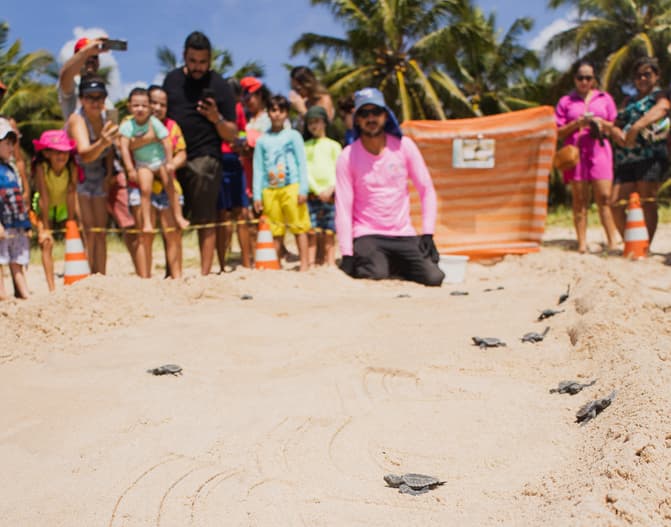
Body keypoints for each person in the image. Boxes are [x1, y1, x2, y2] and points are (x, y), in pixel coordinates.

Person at [335, 87, 444, 286]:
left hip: (403, 233)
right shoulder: (347, 156)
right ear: (357, 120)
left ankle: (394, 262)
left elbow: (426, 189)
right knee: (375, 274)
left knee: (434, 277)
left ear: (385, 115)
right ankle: (384, 263)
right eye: (364, 113)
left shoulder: (405, 146)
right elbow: (343, 207)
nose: (371, 118)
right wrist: (347, 253)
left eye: (376, 112)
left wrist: (428, 233)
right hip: (367, 233)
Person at [163, 31, 237, 275]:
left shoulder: (221, 86)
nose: (197, 67)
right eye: (192, 61)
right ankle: (173, 273)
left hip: (205, 156)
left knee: (206, 218)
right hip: (173, 156)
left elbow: (232, 134)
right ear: (184, 56)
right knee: (171, 218)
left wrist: (216, 118)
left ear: (210, 60)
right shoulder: (171, 80)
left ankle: (205, 275)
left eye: (203, 62)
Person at [555, 59, 619, 253]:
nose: (584, 81)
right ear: (574, 79)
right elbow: (557, 132)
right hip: (575, 153)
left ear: (594, 79)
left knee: (605, 198)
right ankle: (582, 244)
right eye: (580, 77)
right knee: (579, 199)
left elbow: (614, 126)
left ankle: (612, 243)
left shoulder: (604, 98)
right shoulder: (565, 102)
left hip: (599, 150)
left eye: (588, 78)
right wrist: (577, 124)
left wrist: (600, 123)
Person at [610, 56, 670, 245]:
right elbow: (615, 122)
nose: (642, 79)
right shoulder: (628, 100)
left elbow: (662, 109)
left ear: (656, 76)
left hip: (651, 155)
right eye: (638, 76)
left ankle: (646, 245)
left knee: (647, 200)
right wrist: (616, 132)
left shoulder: (659, 96)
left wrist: (636, 128)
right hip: (626, 158)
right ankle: (631, 241)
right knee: (615, 203)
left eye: (647, 74)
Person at [67, 75, 119, 275]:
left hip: (99, 176)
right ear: (82, 99)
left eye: (100, 97)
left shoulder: (108, 117)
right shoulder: (77, 119)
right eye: (90, 98)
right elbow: (85, 154)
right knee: (88, 229)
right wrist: (103, 142)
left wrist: (108, 176)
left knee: (100, 231)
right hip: (78, 177)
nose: (95, 102)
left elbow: (111, 150)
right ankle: (88, 275)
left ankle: (100, 276)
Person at [253, 94, 311, 271]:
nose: (277, 114)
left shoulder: (293, 136)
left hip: (292, 187)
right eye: (273, 110)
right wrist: (257, 195)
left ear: (287, 113)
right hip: (270, 190)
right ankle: (275, 264)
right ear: (268, 113)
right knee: (275, 230)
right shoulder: (262, 140)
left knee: (299, 227)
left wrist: (303, 188)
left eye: (281, 110)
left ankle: (305, 265)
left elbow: (302, 162)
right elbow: (258, 168)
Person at [119, 87, 189, 235]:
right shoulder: (127, 123)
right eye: (136, 105)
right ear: (130, 107)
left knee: (170, 185)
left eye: (163, 105)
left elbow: (169, 143)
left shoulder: (159, 123)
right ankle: (147, 222)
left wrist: (170, 163)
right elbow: (122, 147)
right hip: (143, 165)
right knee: (145, 190)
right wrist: (131, 169)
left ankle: (178, 216)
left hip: (161, 162)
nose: (140, 109)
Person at [32, 130, 78, 292]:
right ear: (46, 153)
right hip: (44, 206)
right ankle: (52, 287)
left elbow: (72, 193)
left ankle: (81, 280)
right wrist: (45, 226)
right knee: (47, 242)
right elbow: (43, 196)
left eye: (65, 151)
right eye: (57, 152)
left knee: (77, 237)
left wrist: (71, 221)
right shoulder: (41, 167)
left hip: (64, 206)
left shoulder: (71, 167)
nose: (62, 156)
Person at [216, 78, 252, 271]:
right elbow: (242, 135)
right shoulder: (235, 108)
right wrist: (239, 142)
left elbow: (243, 135)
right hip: (227, 160)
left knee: (226, 215)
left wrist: (239, 142)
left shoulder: (223, 109)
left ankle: (224, 264)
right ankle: (244, 262)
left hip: (227, 159)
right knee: (237, 215)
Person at [304, 105, 341, 266]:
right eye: (310, 122)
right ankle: (312, 262)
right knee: (312, 231)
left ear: (325, 122)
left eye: (317, 121)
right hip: (313, 195)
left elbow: (339, 170)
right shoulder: (305, 146)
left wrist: (331, 188)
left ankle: (330, 262)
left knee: (329, 231)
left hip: (331, 196)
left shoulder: (334, 145)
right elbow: (305, 171)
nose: (314, 125)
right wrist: (317, 190)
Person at [0, 118, 31, 300]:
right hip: (3, 225)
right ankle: (3, 296)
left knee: (17, 260)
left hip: (16, 224)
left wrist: (26, 225)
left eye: (12, 143)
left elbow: (18, 199)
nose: (11, 148)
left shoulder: (11, 169)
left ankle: (24, 294)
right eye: (6, 143)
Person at [57, 36, 108, 119]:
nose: (91, 60)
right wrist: (85, 51)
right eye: (87, 56)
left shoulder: (102, 87)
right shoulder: (72, 81)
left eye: (94, 57)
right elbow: (65, 74)